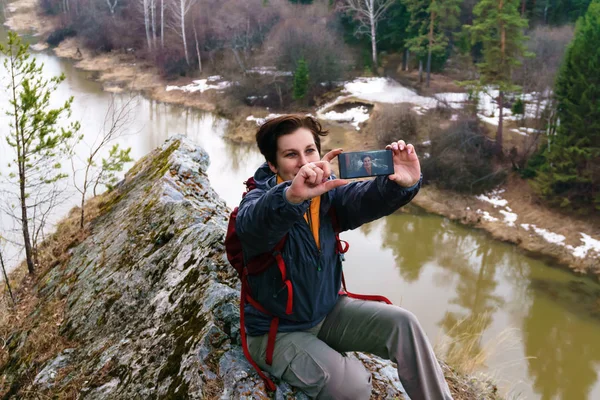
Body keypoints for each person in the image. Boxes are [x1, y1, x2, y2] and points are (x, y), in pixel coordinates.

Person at [236, 114, 452, 400]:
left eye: (309, 150)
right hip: (277, 332)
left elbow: (362, 197)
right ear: (273, 165)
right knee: (354, 386)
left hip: (325, 312)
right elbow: (254, 225)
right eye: (291, 155)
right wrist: (291, 197)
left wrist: (401, 184)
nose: (304, 162)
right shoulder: (259, 202)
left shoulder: (326, 192)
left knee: (404, 324)